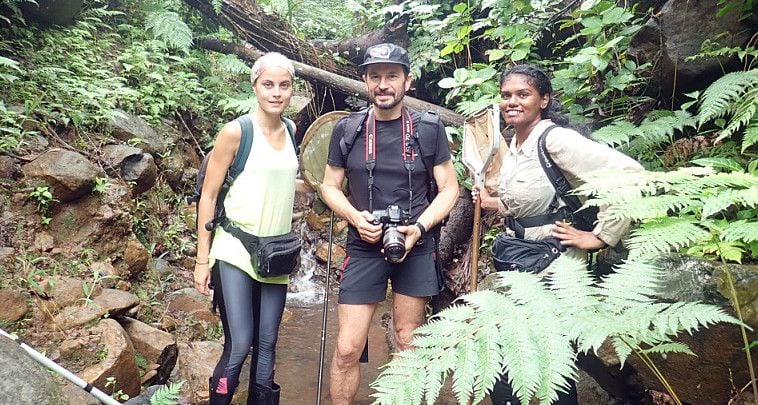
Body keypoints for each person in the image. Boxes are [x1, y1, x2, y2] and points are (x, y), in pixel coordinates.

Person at [473, 64, 643, 404]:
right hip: (517, 259)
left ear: (544, 100)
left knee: (552, 357)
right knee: (509, 351)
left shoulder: (556, 140)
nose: (512, 102)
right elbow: (532, 201)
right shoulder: (516, 145)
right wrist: (493, 202)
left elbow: (630, 174)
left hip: (554, 265)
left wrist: (600, 237)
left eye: (523, 94)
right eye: (506, 95)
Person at [320, 43, 459, 404]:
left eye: (392, 76)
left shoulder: (428, 129)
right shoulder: (347, 129)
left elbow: (449, 189)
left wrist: (421, 227)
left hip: (415, 243)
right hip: (363, 244)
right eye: (375, 76)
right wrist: (354, 217)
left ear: (407, 81)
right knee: (348, 347)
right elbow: (329, 185)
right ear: (365, 81)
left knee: (407, 340)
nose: (384, 84)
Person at [193, 52, 311, 405]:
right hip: (235, 249)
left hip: (275, 254)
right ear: (255, 86)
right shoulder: (236, 132)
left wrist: (325, 184)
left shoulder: (291, 131)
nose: (276, 93)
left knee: (268, 343)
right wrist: (202, 260)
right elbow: (209, 195)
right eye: (268, 85)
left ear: (292, 90)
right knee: (240, 343)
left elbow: (289, 180)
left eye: (284, 85)